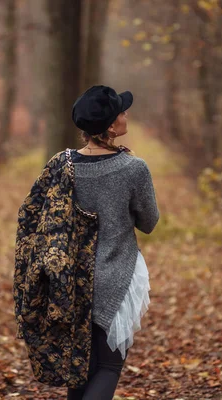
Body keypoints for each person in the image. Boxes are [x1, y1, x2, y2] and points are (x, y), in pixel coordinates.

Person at [65, 85, 160, 400]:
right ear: (109, 126)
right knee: (108, 367)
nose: (126, 113)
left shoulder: (62, 167)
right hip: (114, 277)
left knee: (80, 368)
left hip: (69, 281)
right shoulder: (134, 168)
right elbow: (149, 222)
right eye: (121, 111)